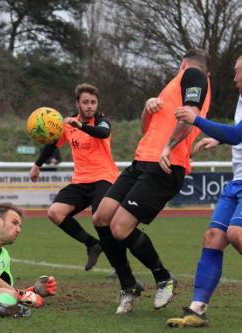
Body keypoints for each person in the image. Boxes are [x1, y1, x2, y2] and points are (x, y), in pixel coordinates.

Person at [92, 48, 212, 314]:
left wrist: (168, 148)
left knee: (120, 228)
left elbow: (190, 117)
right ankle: (129, 285)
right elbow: (147, 128)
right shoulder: (173, 86)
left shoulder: (194, 75)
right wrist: (147, 109)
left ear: (183, 63)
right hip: (141, 161)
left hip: (164, 165)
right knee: (101, 217)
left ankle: (163, 277)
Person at [166, 55, 242, 328]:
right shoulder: (240, 100)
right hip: (236, 182)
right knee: (213, 237)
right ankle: (197, 310)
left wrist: (197, 120)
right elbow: (235, 133)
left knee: (236, 234)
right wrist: (216, 137)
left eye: (237, 72)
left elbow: (237, 135)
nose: (234, 78)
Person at [30, 83, 119, 271]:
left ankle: (119, 265)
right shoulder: (69, 125)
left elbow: (103, 133)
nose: (90, 106)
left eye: (93, 102)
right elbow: (52, 146)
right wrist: (37, 165)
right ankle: (92, 244)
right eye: (85, 102)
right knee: (55, 212)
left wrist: (81, 126)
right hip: (80, 181)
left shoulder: (102, 120)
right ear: (77, 103)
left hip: (104, 178)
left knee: (102, 220)